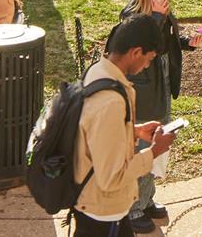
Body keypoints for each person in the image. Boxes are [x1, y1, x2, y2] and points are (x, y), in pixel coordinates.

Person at [119, 0, 202, 232]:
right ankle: (132, 209)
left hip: (164, 82)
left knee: (158, 147)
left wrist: (187, 42)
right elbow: (141, 47)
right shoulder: (131, 16)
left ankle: (146, 201)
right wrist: (158, 17)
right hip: (144, 90)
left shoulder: (163, 10)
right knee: (142, 149)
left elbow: (166, 40)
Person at [71, 14, 177, 236]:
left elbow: (97, 134)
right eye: (148, 59)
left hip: (100, 205)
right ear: (136, 52)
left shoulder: (99, 71)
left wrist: (135, 131)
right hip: (102, 210)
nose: (147, 65)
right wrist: (155, 151)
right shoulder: (110, 101)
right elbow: (112, 177)